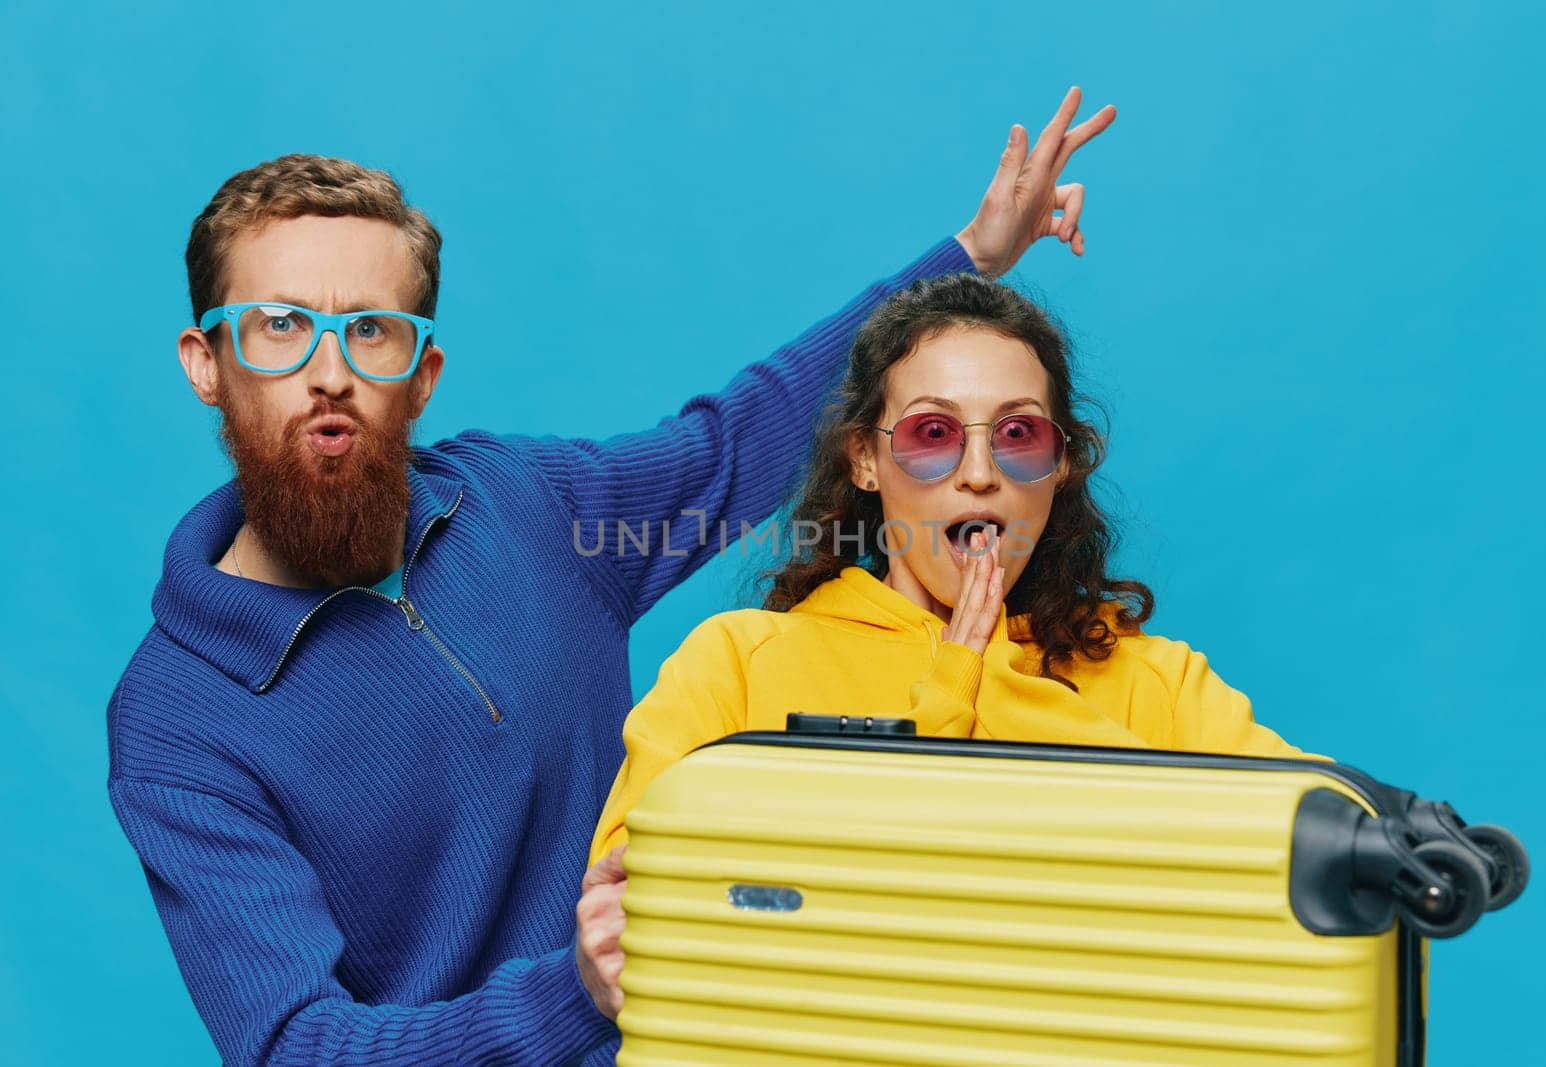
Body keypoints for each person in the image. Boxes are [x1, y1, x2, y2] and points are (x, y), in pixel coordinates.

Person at [106, 88, 1116, 1065]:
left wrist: (973, 255)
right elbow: (297, 1047)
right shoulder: (175, 719)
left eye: (371, 330)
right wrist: (571, 994)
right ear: (206, 361)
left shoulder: (526, 506)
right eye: (279, 327)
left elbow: (731, 444)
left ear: (422, 376)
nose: (329, 369)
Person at [590, 274, 1307, 880]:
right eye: (932, 434)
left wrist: (990, 669)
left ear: (1060, 466)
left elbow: (1330, 844)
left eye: (1018, 435)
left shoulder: (1160, 683)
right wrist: (950, 690)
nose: (978, 473)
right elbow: (636, 902)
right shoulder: (737, 665)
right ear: (864, 461)